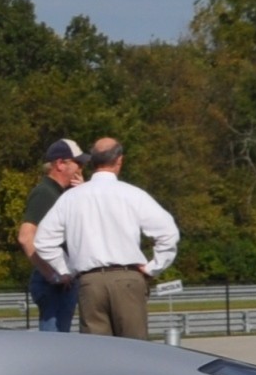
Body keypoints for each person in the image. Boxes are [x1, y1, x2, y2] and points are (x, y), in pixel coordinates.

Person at [32, 138, 179, 338]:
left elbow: (43, 240)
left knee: (98, 354)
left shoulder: (71, 198)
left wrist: (66, 269)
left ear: (93, 161)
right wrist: (154, 267)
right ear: (119, 160)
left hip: (89, 282)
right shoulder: (132, 194)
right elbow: (168, 233)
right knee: (135, 351)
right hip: (127, 278)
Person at [16, 139, 83, 331]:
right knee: (55, 342)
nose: (81, 168)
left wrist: (85, 191)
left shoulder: (63, 194)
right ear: (60, 164)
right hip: (54, 283)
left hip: (63, 280)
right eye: (77, 163)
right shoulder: (45, 193)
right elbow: (26, 237)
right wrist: (52, 274)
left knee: (61, 339)